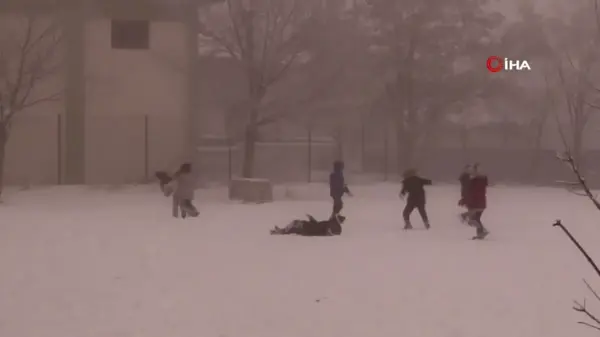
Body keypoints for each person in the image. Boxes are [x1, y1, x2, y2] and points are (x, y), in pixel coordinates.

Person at [466, 163, 489, 239]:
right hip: (481, 202)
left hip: (476, 203)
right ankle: (481, 233)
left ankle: (482, 231)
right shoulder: (481, 180)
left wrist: (469, 202)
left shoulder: (475, 181)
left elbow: (473, 192)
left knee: (473, 219)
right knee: (476, 218)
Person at [270, 214, 345, 236]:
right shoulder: (329, 223)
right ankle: (281, 231)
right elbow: (318, 225)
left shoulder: (332, 225)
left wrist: (329, 232)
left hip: (309, 229)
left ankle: (282, 231)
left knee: (295, 224)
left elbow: (325, 232)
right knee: (295, 226)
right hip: (310, 227)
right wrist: (312, 219)